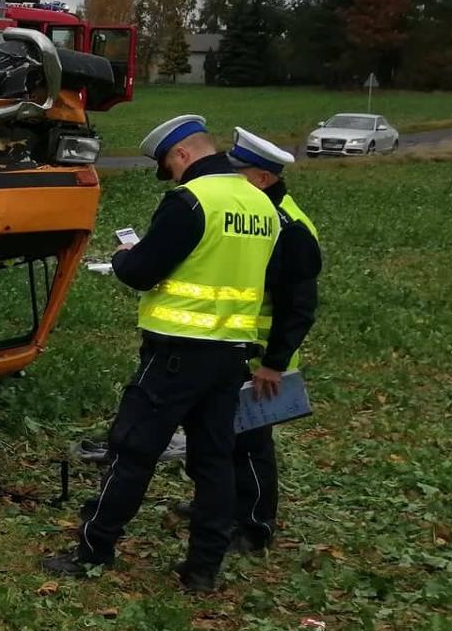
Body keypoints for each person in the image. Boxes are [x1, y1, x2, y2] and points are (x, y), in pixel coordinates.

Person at [42, 114, 281, 594]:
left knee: (132, 451)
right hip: (232, 353)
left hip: (176, 353)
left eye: (170, 166)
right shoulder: (261, 206)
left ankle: (94, 549)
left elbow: (142, 271)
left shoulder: (191, 200)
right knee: (214, 461)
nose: (172, 175)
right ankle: (203, 569)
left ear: (183, 155)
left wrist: (126, 259)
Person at [224, 127, 322, 554]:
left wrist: (275, 363)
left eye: (238, 173)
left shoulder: (292, 229)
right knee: (222, 436)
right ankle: (224, 507)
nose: (230, 181)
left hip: (262, 358)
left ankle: (254, 526)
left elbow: (298, 306)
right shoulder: (254, 216)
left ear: (262, 178)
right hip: (234, 347)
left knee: (250, 444)